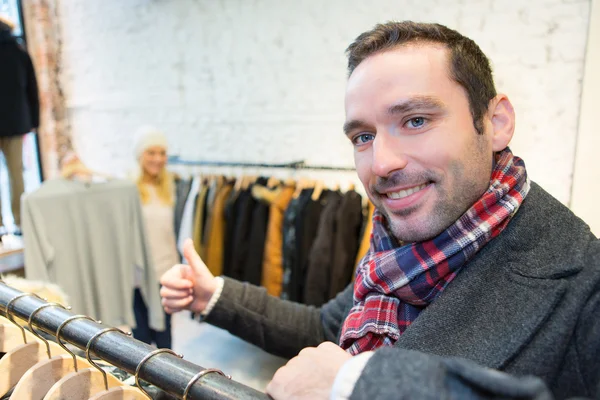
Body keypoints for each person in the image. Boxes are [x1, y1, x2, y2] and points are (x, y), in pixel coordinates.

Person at [159, 21, 600, 399]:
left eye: (415, 121)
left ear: (495, 122)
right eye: (363, 137)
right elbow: (324, 326)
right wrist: (213, 295)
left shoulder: (585, 284)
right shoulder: (394, 253)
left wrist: (356, 384)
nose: (382, 163)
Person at [132, 126, 179, 349]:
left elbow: (170, 234)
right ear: (140, 155)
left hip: (165, 272)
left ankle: (166, 382)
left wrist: (176, 268)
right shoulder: (130, 190)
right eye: (151, 153)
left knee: (164, 338)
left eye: (162, 153)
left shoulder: (168, 189)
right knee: (140, 338)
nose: (158, 159)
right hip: (138, 276)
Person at [0, 16, 39, 236]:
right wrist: (34, 120)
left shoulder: (19, 51)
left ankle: (2, 225)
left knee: (15, 173)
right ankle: (19, 221)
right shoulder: (18, 51)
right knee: (16, 173)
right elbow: (32, 89)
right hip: (16, 120)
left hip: (15, 120)